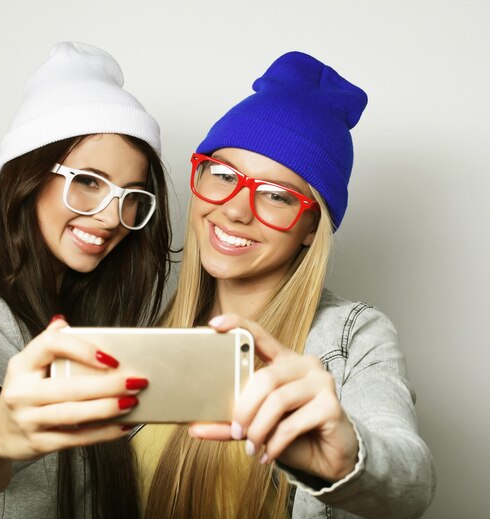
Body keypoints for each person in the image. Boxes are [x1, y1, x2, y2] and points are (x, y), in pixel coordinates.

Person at [132, 51, 436, 518]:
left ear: (312, 227)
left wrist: (347, 456)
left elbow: (410, 480)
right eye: (224, 175)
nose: (235, 209)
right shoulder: (146, 328)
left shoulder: (355, 338)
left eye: (276, 195)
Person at [0, 41, 172, 518]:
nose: (113, 217)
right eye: (88, 180)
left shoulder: (82, 300)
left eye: (132, 194)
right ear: (28, 176)